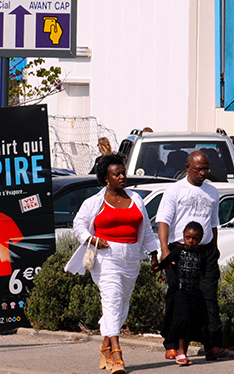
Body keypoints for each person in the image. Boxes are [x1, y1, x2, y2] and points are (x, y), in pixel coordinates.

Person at [65, 153, 159, 374]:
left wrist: (154, 254)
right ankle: (117, 354)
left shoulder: (136, 199)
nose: (121, 177)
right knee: (112, 300)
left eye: (123, 173)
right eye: (116, 174)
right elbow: (79, 225)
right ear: (106, 178)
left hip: (132, 257)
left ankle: (105, 346)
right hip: (106, 259)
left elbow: (145, 230)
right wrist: (92, 239)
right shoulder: (94, 202)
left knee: (122, 304)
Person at [156, 151, 229, 362]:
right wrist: (165, 249)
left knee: (208, 299)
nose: (203, 173)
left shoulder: (212, 192)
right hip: (179, 250)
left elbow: (213, 223)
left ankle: (212, 345)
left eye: (206, 168)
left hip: (205, 252)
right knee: (177, 298)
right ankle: (172, 344)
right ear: (188, 167)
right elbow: (164, 221)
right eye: (198, 169)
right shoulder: (174, 190)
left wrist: (214, 249)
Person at [158, 221, 208, 366]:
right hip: (181, 294)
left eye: (194, 239)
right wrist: (156, 266)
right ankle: (180, 353)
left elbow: (202, 273)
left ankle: (183, 352)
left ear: (199, 240)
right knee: (182, 322)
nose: (190, 241)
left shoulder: (201, 255)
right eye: (188, 238)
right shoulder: (178, 252)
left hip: (194, 295)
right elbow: (165, 263)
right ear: (183, 237)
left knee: (191, 324)